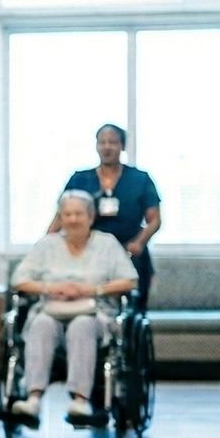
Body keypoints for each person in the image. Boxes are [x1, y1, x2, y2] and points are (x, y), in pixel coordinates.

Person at [10, 190, 138, 427]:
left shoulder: (107, 244)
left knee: (82, 325)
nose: (73, 219)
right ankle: (33, 398)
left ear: (91, 216)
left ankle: (80, 400)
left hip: (95, 313)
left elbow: (130, 280)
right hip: (51, 309)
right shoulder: (47, 245)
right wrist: (50, 288)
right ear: (60, 217)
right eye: (67, 214)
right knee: (40, 324)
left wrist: (91, 290)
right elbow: (18, 280)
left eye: (79, 213)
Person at [59, 123, 161, 309]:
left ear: (122, 146)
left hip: (129, 250)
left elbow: (154, 219)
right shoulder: (80, 179)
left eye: (112, 142)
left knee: (132, 306)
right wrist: (47, 242)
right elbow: (61, 216)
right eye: (102, 142)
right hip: (90, 252)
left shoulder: (140, 179)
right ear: (96, 146)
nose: (107, 147)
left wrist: (139, 242)